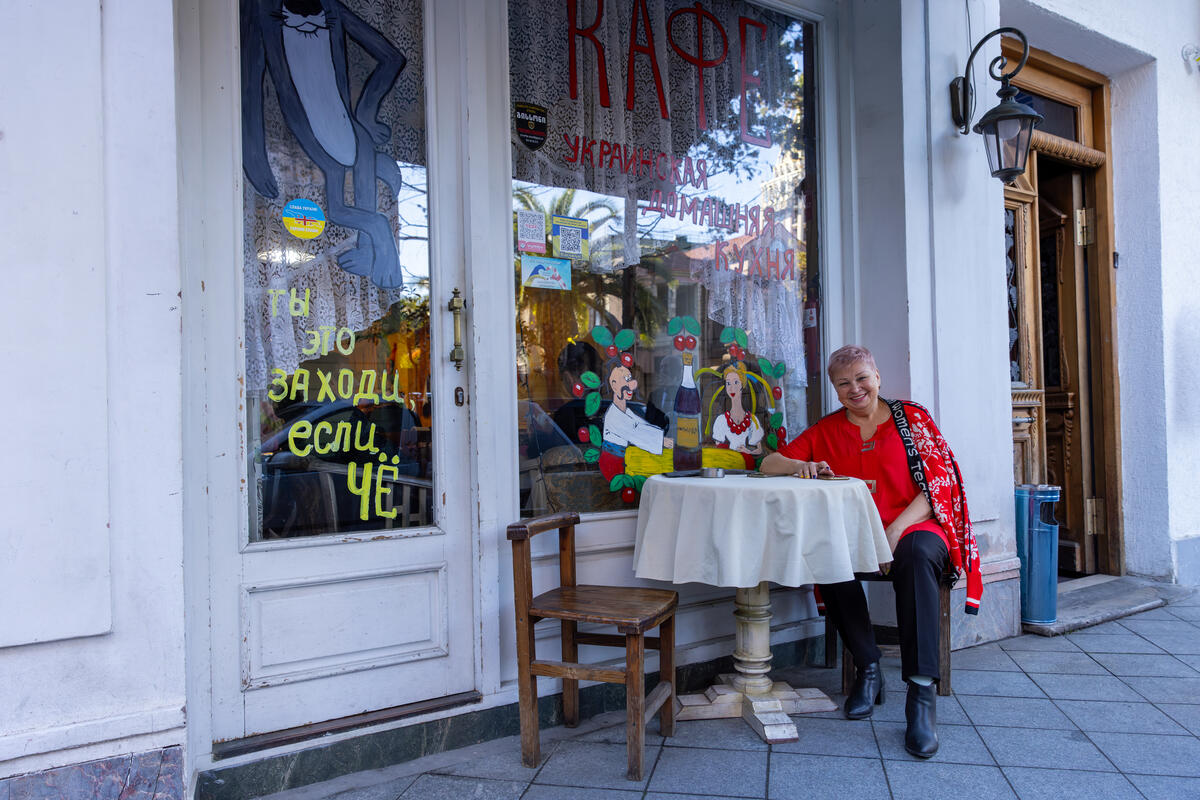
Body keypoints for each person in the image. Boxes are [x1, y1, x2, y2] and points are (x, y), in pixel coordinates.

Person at [761, 344, 980, 758]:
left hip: (916, 528)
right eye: (843, 384)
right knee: (826, 551)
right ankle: (869, 668)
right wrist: (800, 466)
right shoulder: (825, 431)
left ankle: (920, 697)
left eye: (862, 378)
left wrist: (894, 532)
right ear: (834, 390)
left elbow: (939, 484)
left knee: (915, 558)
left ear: (877, 376)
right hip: (860, 534)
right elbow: (767, 464)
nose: (855, 388)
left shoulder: (912, 419)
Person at [599, 360, 673, 481]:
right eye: (625, 379)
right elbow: (634, 431)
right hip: (613, 464)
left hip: (623, 459)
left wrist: (661, 435)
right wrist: (662, 440)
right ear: (614, 385)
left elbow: (640, 424)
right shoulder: (613, 415)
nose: (631, 384)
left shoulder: (626, 411)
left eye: (630, 379)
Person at [709, 363, 764, 469]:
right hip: (726, 468)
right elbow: (717, 450)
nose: (731, 388)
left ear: (742, 385)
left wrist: (747, 451)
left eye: (735, 382)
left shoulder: (753, 420)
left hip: (747, 467)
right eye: (728, 383)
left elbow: (759, 450)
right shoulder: (721, 420)